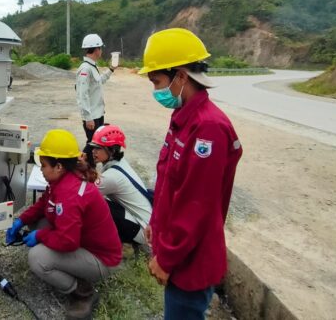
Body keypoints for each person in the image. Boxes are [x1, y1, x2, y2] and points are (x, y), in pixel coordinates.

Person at [139, 28, 243, 320]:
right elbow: (170, 184)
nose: (155, 90)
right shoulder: (184, 119)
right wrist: (156, 222)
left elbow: (195, 206)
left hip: (189, 259)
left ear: (181, 76)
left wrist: (167, 258)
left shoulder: (207, 128)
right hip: (178, 248)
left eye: (157, 81)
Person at [6, 129, 122, 319]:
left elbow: (68, 242)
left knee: (37, 257)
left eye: (43, 165)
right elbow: (45, 203)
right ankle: (67, 267)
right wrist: (21, 220)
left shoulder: (70, 194)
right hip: (85, 243)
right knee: (38, 222)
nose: (41, 170)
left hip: (101, 260)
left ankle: (83, 293)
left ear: (59, 166)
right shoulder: (66, 178)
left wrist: (40, 236)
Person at [88, 124, 152, 246]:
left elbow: (82, 194)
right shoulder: (120, 162)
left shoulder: (112, 177)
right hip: (145, 223)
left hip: (143, 232)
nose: (93, 151)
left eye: (98, 148)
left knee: (94, 203)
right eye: (93, 147)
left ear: (111, 150)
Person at [76, 33, 116, 167]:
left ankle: (87, 169)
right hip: (92, 116)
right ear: (96, 49)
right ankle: (79, 166)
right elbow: (82, 94)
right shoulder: (85, 69)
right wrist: (88, 117)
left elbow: (99, 83)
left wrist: (111, 70)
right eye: (100, 48)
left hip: (97, 114)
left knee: (95, 144)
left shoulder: (92, 66)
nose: (101, 51)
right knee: (93, 144)